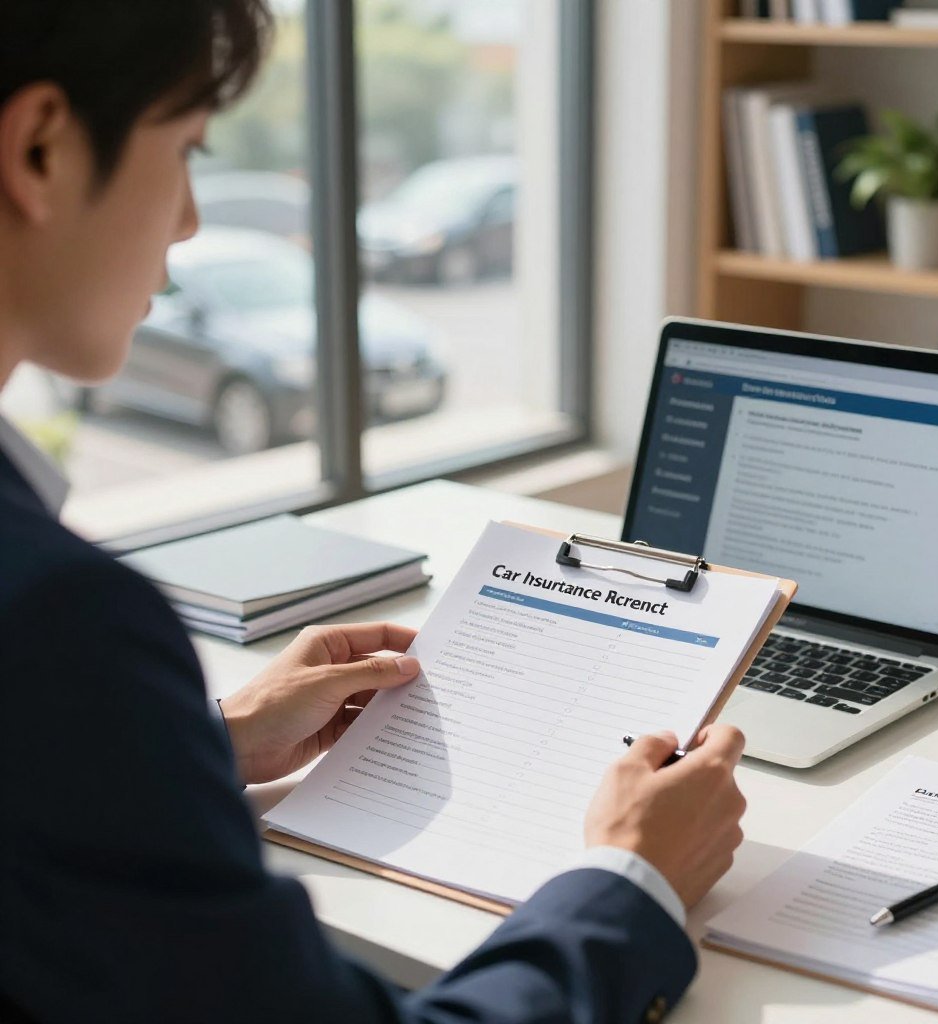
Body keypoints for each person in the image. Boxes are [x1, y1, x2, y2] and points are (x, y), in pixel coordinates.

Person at [0, 3, 747, 1022]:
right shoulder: (57, 619)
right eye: (183, 151)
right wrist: (632, 878)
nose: (188, 221)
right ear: (38, 147)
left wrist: (205, 745)